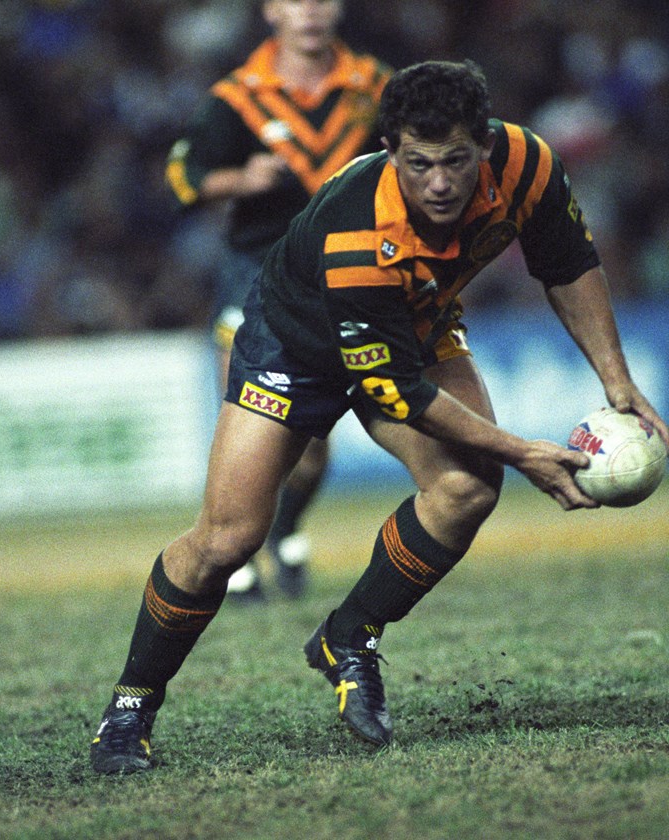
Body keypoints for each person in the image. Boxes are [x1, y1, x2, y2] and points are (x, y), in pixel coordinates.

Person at [90, 59, 669, 773]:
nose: (439, 182)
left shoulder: (528, 164)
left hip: (415, 324)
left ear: (486, 144)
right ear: (390, 150)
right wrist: (525, 452)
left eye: (456, 160)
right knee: (228, 538)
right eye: (419, 163)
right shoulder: (359, 230)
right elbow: (398, 394)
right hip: (294, 343)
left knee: (466, 488)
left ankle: (349, 637)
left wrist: (618, 382)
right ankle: (130, 706)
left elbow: (569, 263)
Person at [165, 0, 391, 602]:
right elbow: (184, 176)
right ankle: (230, 554)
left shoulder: (375, 87)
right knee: (242, 414)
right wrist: (241, 179)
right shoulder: (238, 97)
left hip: (342, 271)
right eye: (295, 0)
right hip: (256, 269)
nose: (309, 12)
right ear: (271, 12)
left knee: (311, 446)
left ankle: (285, 525)